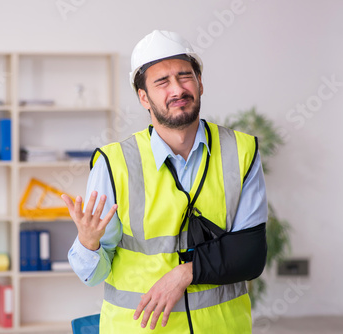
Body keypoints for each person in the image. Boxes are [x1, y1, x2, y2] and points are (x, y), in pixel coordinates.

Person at [62, 30, 268, 333]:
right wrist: (89, 244)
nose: (177, 89)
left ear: (200, 83)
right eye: (162, 82)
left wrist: (184, 273)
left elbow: (250, 255)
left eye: (185, 77)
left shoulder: (241, 151)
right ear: (143, 97)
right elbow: (94, 275)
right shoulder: (114, 164)